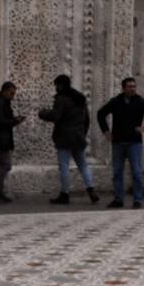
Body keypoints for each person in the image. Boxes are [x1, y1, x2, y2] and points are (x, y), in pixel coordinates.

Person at [97, 77, 144, 209]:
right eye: (129, 86)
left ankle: (137, 200)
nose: (132, 89)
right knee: (117, 172)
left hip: (134, 142)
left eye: (134, 86)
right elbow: (100, 114)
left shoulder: (140, 102)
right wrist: (106, 131)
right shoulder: (116, 101)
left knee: (136, 172)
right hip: (118, 142)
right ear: (123, 88)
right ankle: (118, 199)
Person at [38, 75, 99, 205]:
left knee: (64, 166)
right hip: (78, 137)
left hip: (64, 137)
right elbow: (86, 119)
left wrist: (43, 113)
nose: (56, 88)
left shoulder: (62, 99)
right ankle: (91, 190)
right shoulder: (80, 98)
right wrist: (82, 133)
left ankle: (65, 194)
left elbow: (55, 116)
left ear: (61, 85)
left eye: (57, 85)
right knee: (83, 165)